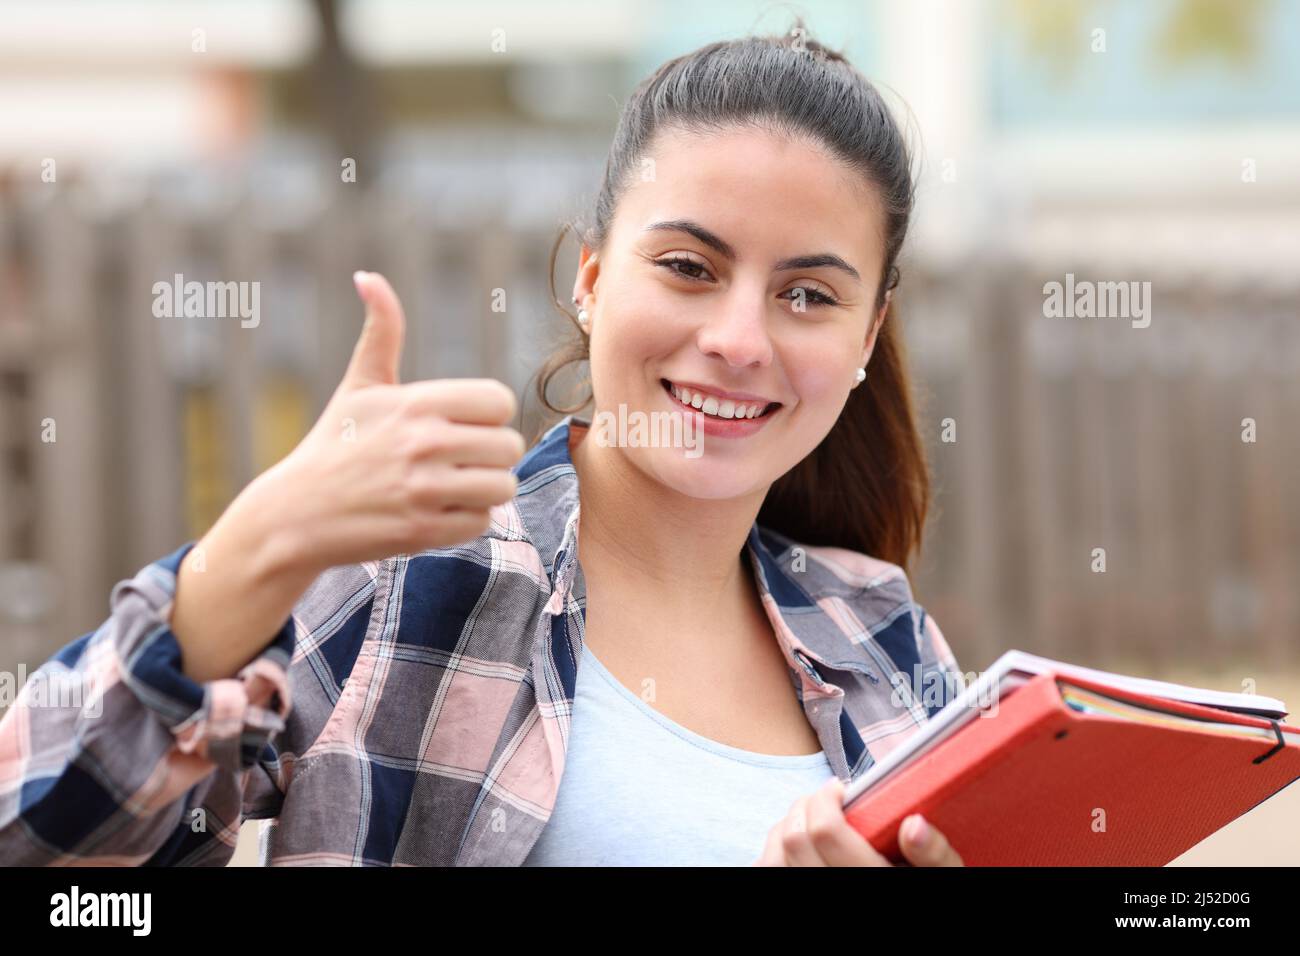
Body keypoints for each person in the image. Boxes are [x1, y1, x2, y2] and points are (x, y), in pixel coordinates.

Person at [0, 23, 965, 866]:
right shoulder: (406, 579)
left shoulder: (886, 639)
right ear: (591, 278)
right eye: (687, 266)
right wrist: (260, 543)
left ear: (867, 338)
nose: (739, 340)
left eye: (808, 295)